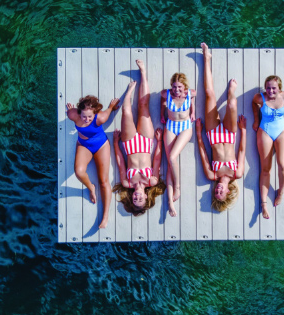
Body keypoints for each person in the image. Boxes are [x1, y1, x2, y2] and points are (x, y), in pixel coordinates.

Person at [195, 43, 247, 212]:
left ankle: (206, 59)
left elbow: (203, 153)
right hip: (230, 134)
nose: (218, 190)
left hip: (212, 134)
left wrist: (198, 133)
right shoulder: (237, 174)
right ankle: (231, 92)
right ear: (229, 191)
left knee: (209, 94)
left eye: (215, 192)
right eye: (221, 192)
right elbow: (240, 151)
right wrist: (243, 130)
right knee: (232, 104)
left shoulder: (213, 175)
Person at [112, 60, 166, 216]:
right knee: (143, 106)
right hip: (145, 142)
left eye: (135, 200)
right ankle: (143, 72)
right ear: (146, 197)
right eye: (140, 200)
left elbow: (121, 162)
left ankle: (129, 91)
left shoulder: (126, 182)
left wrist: (116, 143)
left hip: (129, 144)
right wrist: (160, 141)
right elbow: (156, 159)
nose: (137, 197)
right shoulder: (152, 181)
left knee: (126, 111)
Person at [66, 95, 120, 229]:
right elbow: (71, 112)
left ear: (95, 113)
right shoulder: (73, 115)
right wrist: (72, 110)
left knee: (103, 181)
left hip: (101, 145)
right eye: (84, 116)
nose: (86, 120)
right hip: (84, 145)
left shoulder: (100, 118)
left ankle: (105, 217)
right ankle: (91, 187)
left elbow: (107, 111)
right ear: (79, 112)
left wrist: (111, 107)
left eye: (90, 116)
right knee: (78, 172)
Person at [252, 75, 284, 219]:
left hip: (281, 131)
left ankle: (280, 191)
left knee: (282, 165)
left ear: (279, 88)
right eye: (268, 87)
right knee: (265, 169)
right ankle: (263, 205)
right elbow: (254, 104)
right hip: (265, 131)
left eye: (273, 88)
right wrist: (256, 120)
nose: (270, 91)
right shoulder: (260, 98)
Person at [160, 73, 196, 217]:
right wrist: (162, 113)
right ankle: (170, 202)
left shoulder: (191, 93)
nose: (176, 90)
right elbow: (162, 101)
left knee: (172, 157)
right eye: (174, 87)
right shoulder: (166, 94)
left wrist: (193, 112)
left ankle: (178, 187)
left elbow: (192, 101)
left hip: (186, 127)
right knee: (170, 162)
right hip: (170, 126)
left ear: (185, 86)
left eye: (179, 87)